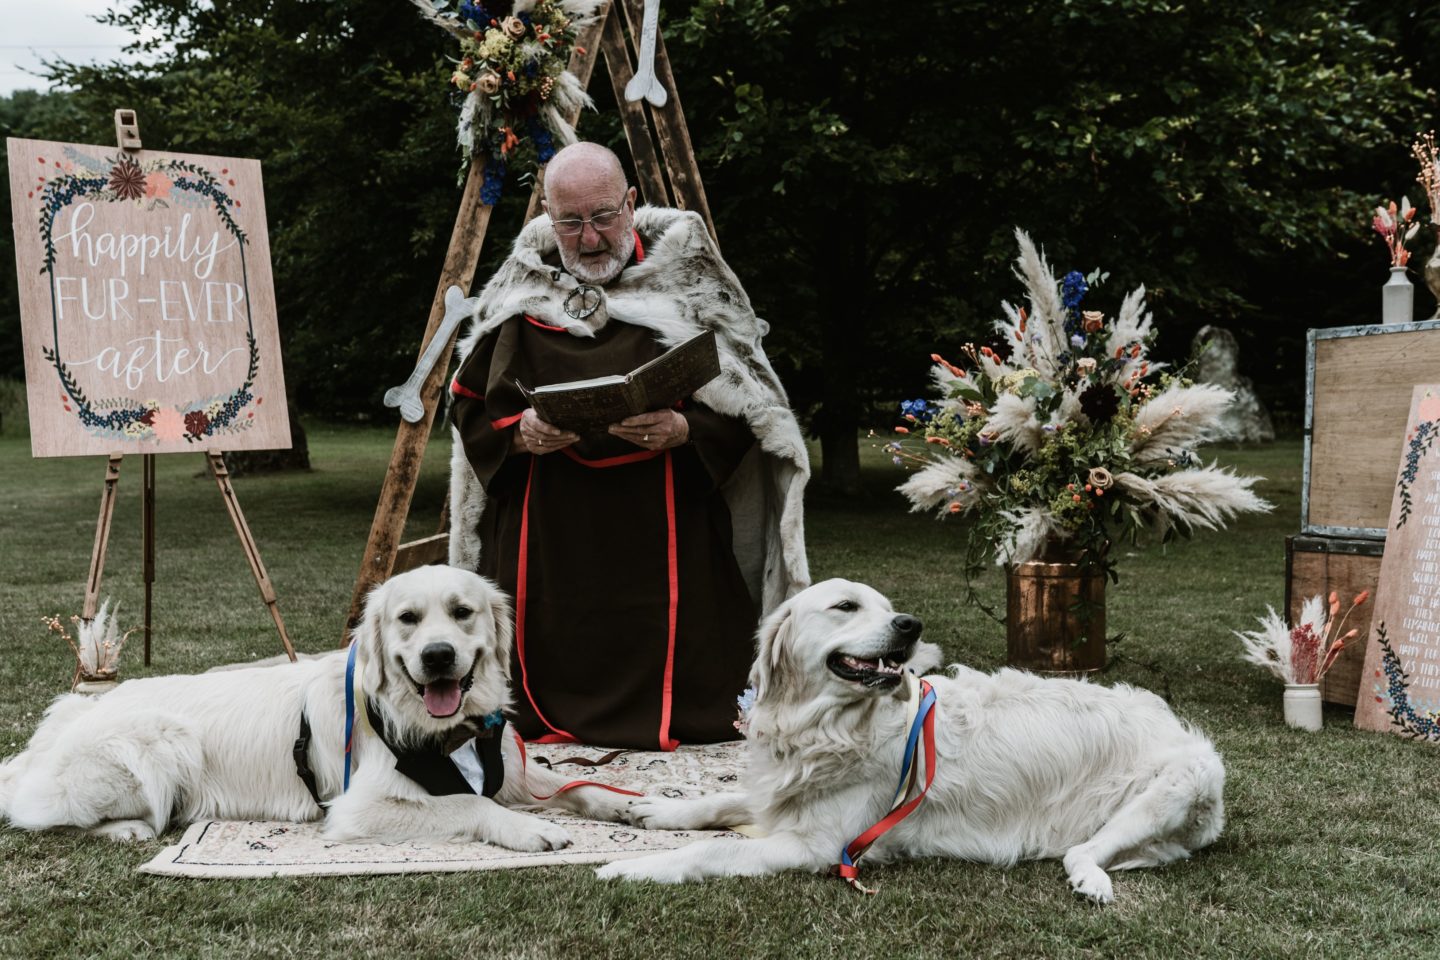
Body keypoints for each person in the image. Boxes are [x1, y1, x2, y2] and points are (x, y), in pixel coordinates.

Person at [447, 142, 809, 750]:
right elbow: (471, 403)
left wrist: (688, 429)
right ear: (547, 214)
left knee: (693, 684)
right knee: (539, 663)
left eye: (603, 217)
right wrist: (519, 433)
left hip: (668, 523)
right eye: (570, 222)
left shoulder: (691, 284)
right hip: (550, 529)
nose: (590, 239)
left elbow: (754, 409)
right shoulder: (522, 289)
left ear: (631, 204)